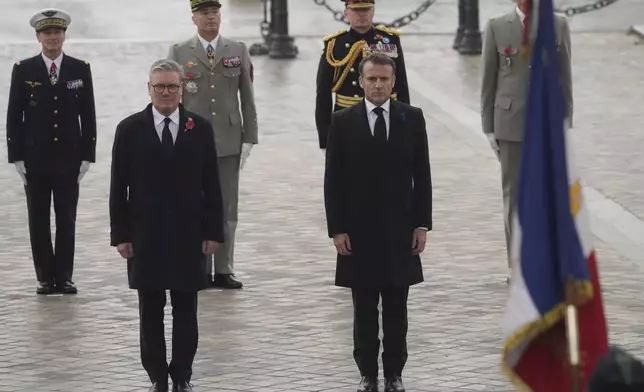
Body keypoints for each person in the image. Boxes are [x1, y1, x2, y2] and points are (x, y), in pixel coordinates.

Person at [109, 59, 224, 392]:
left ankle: (182, 374)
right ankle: (157, 376)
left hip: (189, 235)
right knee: (151, 311)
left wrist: (213, 232)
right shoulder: (129, 129)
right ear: (149, 88)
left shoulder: (199, 128)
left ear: (182, 89)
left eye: (173, 86)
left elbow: (212, 185)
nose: (166, 93)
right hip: (146, 235)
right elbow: (118, 187)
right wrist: (121, 236)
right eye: (159, 86)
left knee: (186, 309)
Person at [324, 52, 432, 392]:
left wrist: (421, 224)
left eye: (384, 79)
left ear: (393, 81)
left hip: (400, 231)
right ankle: (367, 373)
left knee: (397, 306)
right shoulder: (342, 121)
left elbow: (422, 175)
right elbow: (333, 179)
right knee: (364, 307)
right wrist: (337, 228)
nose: (378, 84)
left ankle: (395, 373)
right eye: (372, 78)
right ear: (361, 81)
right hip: (359, 232)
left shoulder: (411, 118)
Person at [167, 0, 258, 289]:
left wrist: (249, 138)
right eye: (204, 13)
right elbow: (173, 99)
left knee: (228, 207)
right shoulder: (180, 52)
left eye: (215, 13)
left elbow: (248, 97)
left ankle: (224, 269)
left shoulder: (237, 49)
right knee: (195, 206)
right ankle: (200, 268)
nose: (210, 18)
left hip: (229, 140)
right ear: (194, 18)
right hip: (193, 140)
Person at [5, 8, 97, 295]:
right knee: (39, 219)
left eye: (57, 32)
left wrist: (87, 154)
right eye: (47, 32)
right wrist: (16, 156)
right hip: (36, 158)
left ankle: (65, 276)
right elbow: (13, 115)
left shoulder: (80, 68)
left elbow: (89, 114)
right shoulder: (24, 69)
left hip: (69, 157)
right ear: (38, 36)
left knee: (67, 218)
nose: (52, 37)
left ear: (64, 35)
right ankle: (45, 277)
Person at [480, 0, 572, 276]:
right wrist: (488, 127)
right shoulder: (497, 26)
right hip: (510, 124)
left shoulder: (558, 24)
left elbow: (564, 77)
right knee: (515, 197)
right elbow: (488, 80)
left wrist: (565, 121)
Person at [315, 0, 410, 152]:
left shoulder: (389, 40)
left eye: (366, 10)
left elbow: (401, 86)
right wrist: (325, 137)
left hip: (383, 116)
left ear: (373, 12)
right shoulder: (334, 45)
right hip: (346, 118)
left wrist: (406, 125)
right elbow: (323, 93)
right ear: (346, 13)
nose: (362, 15)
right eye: (356, 11)